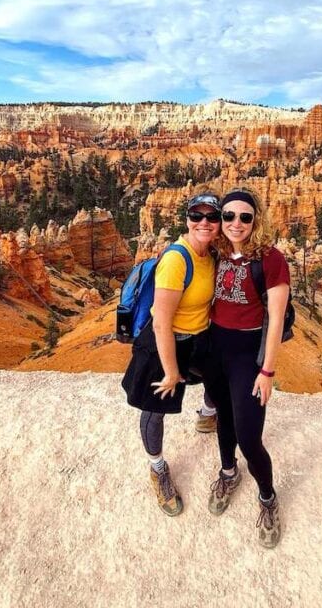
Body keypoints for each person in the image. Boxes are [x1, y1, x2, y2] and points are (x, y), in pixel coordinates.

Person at [121, 192, 221, 516]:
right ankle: (158, 468)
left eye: (212, 216)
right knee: (156, 407)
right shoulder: (177, 259)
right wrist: (170, 371)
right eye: (197, 215)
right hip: (165, 341)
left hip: (198, 336)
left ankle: (207, 417)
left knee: (222, 375)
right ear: (187, 219)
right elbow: (162, 323)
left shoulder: (211, 255)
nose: (204, 222)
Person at [204, 187, 290, 548]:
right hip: (215, 348)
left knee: (249, 436)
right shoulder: (217, 251)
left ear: (256, 220)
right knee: (224, 417)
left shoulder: (271, 259)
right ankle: (228, 472)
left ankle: (268, 497)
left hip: (247, 354)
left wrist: (267, 370)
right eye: (228, 216)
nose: (236, 223)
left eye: (245, 217)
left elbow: (276, 318)